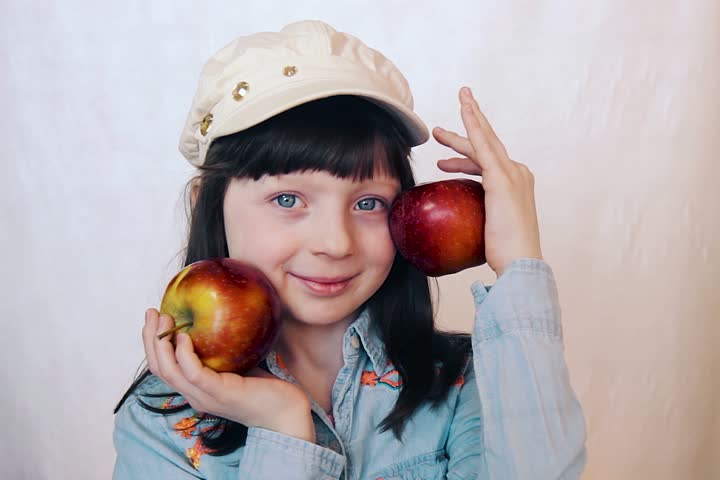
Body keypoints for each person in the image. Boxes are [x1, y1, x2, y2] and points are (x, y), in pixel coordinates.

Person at [112, 19, 587, 479]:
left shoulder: (469, 381)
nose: (335, 243)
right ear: (208, 205)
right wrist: (283, 428)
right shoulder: (163, 426)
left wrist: (520, 261)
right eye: (287, 199)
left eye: (367, 202)